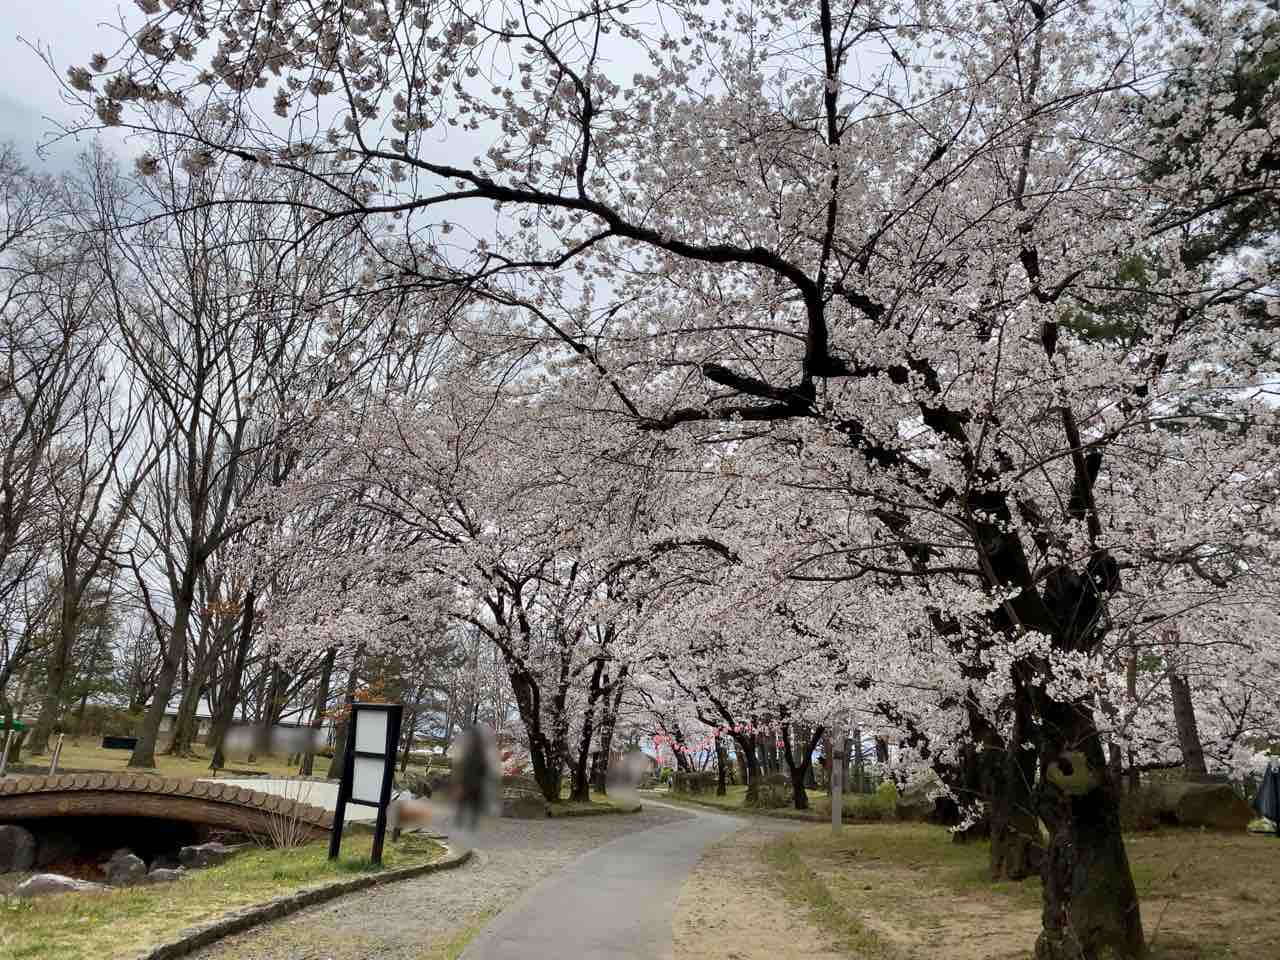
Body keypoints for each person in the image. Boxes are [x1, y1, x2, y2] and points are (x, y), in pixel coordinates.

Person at [453, 724, 498, 832]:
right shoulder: (480, 753)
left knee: (467, 806)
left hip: (472, 784)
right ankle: (465, 827)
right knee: (468, 807)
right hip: (474, 784)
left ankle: (462, 827)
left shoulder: (475, 753)